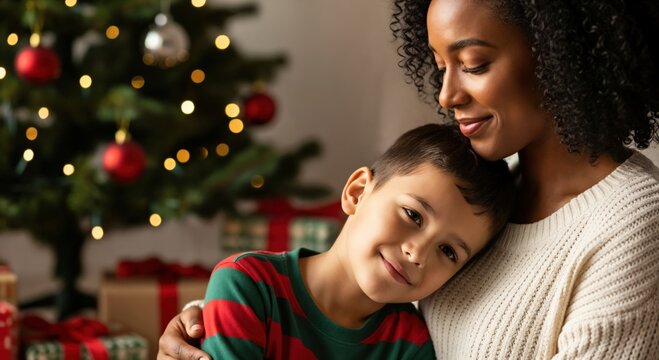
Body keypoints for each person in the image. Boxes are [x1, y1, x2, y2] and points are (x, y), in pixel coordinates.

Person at [158, 0, 659, 358]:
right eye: (441, 66)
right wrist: (221, 318)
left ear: (557, 55)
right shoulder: (488, 192)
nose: (445, 95)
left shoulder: (632, 219)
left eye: (473, 64)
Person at [197, 123, 513, 359]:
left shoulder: (409, 345)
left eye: (448, 251)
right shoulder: (247, 284)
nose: (416, 253)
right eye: (413, 215)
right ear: (357, 192)